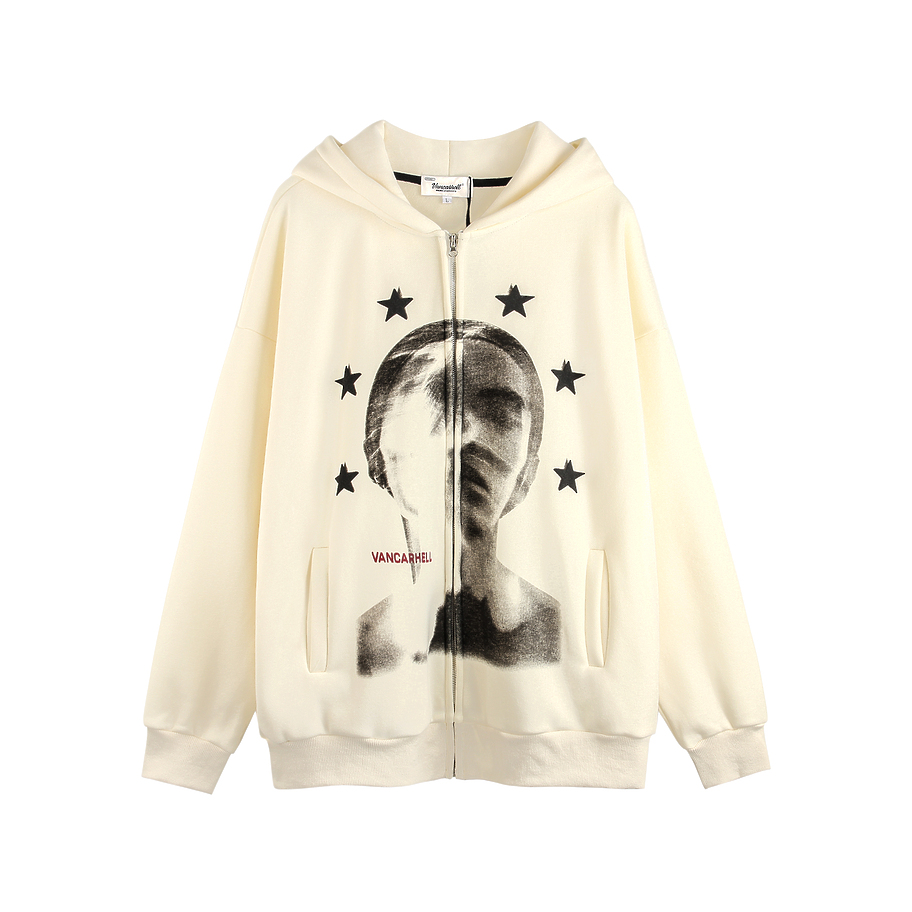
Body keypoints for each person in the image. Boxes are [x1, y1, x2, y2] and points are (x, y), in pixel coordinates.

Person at [357, 319, 560, 676]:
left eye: (499, 415)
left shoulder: (565, 638)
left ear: (527, 474)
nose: (465, 437)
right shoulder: (348, 649)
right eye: (437, 403)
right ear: (378, 455)